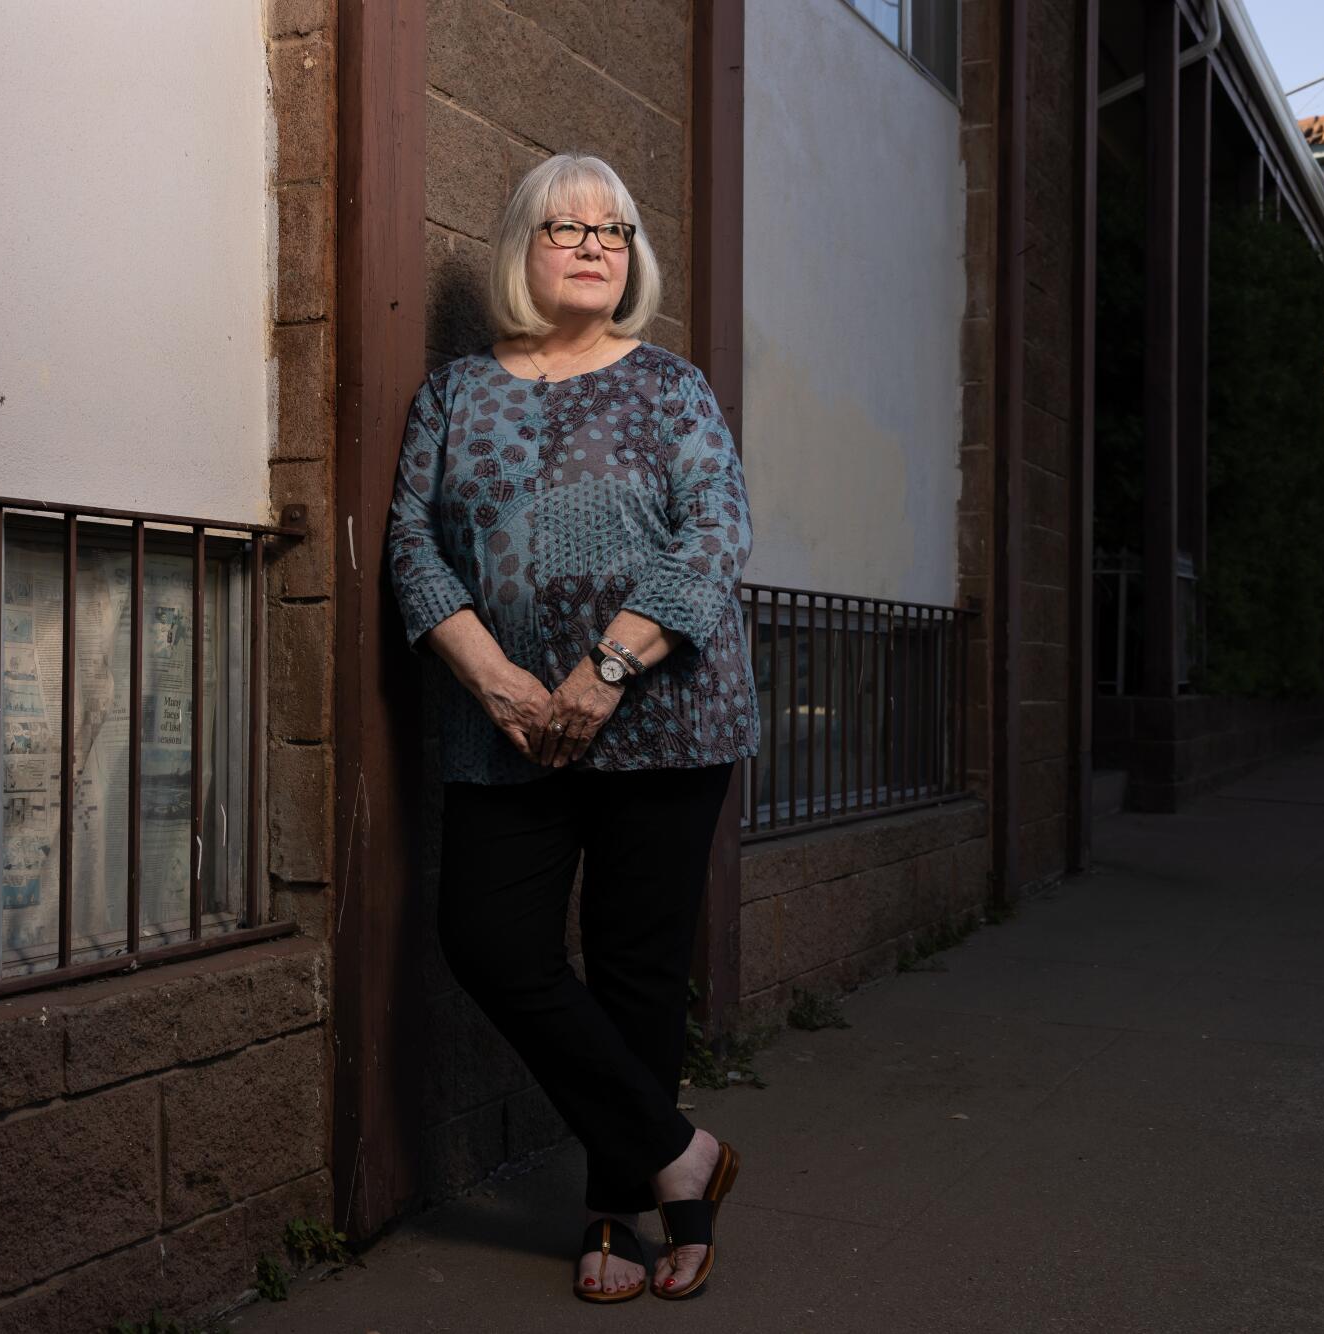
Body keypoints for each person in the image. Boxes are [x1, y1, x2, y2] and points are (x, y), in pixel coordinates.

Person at [386, 153, 759, 1304]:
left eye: (615, 229)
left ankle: (621, 1212)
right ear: (521, 248)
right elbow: (411, 542)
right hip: (502, 726)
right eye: (567, 227)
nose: (596, 244)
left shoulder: (671, 386)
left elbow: (712, 535)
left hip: (664, 721)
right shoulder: (454, 392)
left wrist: (604, 667)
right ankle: (677, 1148)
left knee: (637, 969)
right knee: (488, 939)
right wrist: (494, 677)